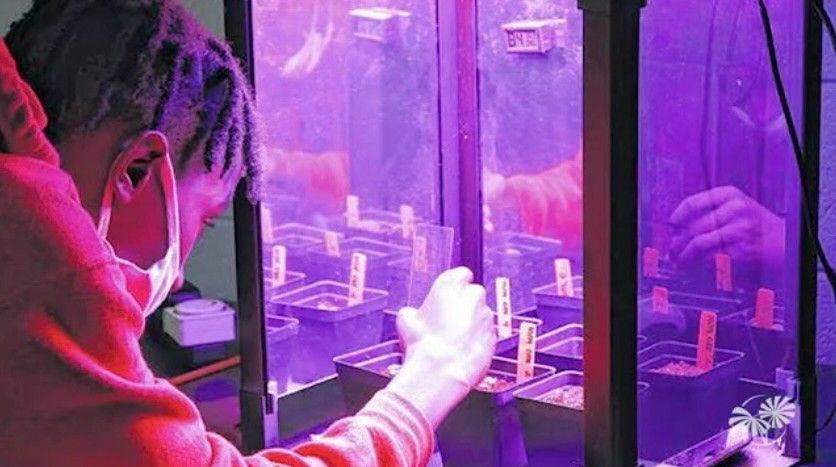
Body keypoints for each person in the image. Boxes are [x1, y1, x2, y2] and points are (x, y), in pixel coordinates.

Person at [0, 1, 496, 466]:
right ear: (135, 170)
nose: (175, 282)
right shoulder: (48, 280)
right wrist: (430, 377)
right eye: (204, 219)